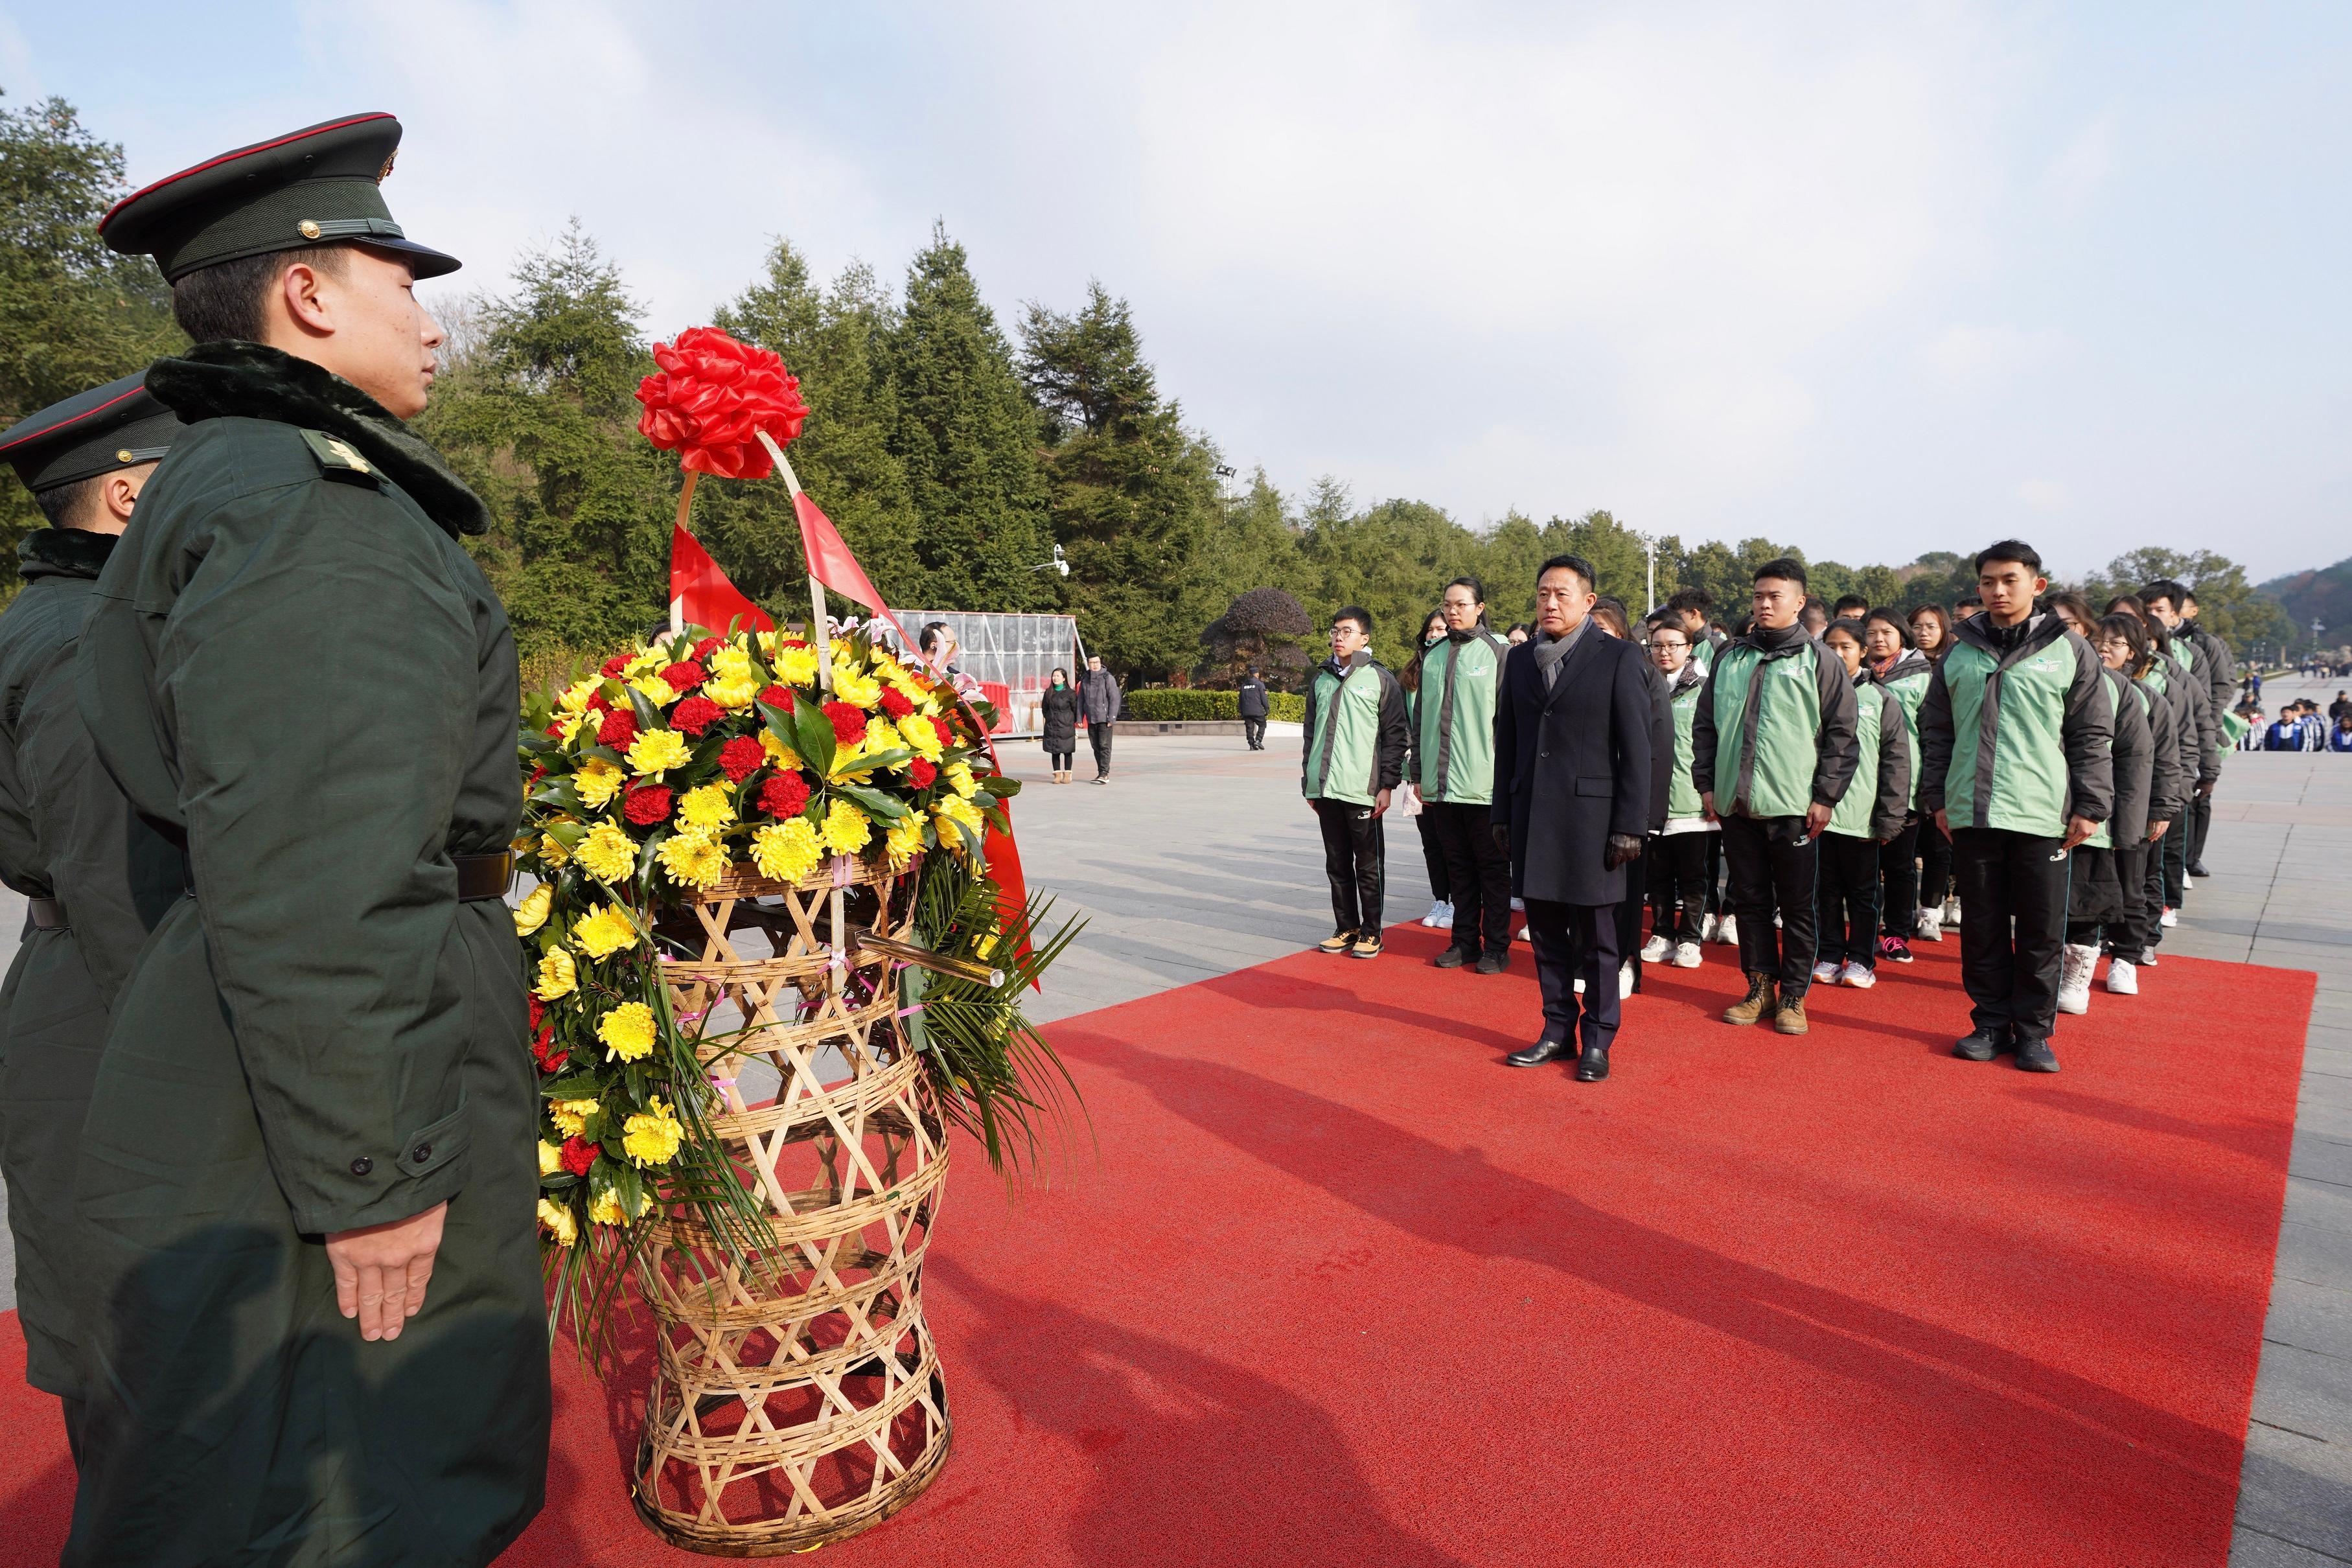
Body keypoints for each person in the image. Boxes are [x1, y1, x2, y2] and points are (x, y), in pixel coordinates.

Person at [75, 113, 549, 1563]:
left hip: (244, 1038)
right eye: (402, 281)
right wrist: (378, 1176)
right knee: (359, 1475)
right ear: (308, 294)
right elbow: (325, 869)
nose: (432, 326)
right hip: (341, 1076)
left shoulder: (232, 482)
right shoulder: (318, 514)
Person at [0, 376, 186, 1463]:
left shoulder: (79, 621)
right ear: (126, 499)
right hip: (112, 1006)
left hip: (94, 987)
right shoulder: (82, 642)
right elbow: (118, 881)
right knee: (145, 1394)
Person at [1919, 541, 2112, 1071]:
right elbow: (1936, 731)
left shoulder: (2069, 649)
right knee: (1980, 926)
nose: (1997, 591)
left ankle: (2032, 1033)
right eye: (1987, 582)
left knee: (2039, 929)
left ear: (2037, 585)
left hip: (2041, 813)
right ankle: (1988, 1023)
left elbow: (2091, 734)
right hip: (1973, 812)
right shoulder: (1960, 651)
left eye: (2009, 580)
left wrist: (2091, 804)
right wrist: (1937, 798)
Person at [1492, 555, 1654, 1081]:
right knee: (1545, 935)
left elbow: (1637, 747)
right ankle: (1557, 1030)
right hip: (1533, 817)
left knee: (1600, 940)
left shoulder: (1621, 657)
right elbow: (1508, 741)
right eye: (1543, 593)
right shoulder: (1518, 661)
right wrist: (1502, 811)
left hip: (1595, 823)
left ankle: (1599, 1041)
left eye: (1562, 594)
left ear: (1588, 602)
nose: (1550, 603)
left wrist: (1631, 824)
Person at [1692, 557, 1859, 1037]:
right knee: (1749, 900)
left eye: (1776, 596)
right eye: (1759, 596)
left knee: (1798, 904)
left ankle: (1794, 995)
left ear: (1799, 603)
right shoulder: (1730, 657)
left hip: (1794, 807)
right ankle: (1759, 986)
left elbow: (1842, 737)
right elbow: (1706, 727)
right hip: (1736, 804)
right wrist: (1707, 784)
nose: (1765, 604)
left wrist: (1825, 796)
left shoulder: (1820, 660)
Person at [2071, 612, 2183, 1003]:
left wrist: (2163, 807)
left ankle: (2127, 958)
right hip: (2087, 809)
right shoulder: (2078, 687)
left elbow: (2169, 758)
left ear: (2133, 652)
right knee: (2086, 889)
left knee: (2131, 887)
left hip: (2132, 810)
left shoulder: (2147, 698)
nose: (2104, 648)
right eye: (2099, 639)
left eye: (2115, 643)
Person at [1415, 582, 1512, 971]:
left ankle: (1497, 947)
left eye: (1461, 604)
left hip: (1483, 785)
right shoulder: (1432, 656)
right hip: (1440, 785)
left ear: (1480, 607)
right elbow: (1420, 718)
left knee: (1492, 869)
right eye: (1447, 605)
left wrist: (1506, 779)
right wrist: (1419, 773)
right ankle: (1464, 941)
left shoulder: (1498, 653)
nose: (1453, 611)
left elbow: (1508, 724)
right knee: (1457, 866)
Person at [1812, 619, 1912, 990]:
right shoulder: (1813, 693)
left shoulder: (1881, 699)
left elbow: (1897, 762)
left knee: (1864, 895)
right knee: (1824, 892)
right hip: (1818, 816)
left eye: (1847, 647)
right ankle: (1828, 954)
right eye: (1831, 647)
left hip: (1862, 820)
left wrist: (1890, 817)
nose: (1838, 655)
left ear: (1863, 652)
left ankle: (1861, 959)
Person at [1302, 606, 1407, 959]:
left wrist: (1387, 785)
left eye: (1347, 631)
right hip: (1326, 789)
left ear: (1365, 638)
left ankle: (1372, 932)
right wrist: (1309, 782)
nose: (1338, 637)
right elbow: (1310, 735)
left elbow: (1396, 736)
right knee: (1336, 863)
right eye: (1334, 631)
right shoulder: (1320, 680)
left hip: (1363, 789)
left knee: (1368, 864)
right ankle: (1346, 927)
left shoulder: (1380, 679)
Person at [2140, 581, 2230, 879]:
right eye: (2147, 609)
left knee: (2194, 801)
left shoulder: (2201, 647)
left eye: (2159, 609)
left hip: (2189, 737)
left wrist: (2210, 737)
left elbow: (2214, 692)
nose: (2152, 615)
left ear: (2176, 613)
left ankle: (2191, 859)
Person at [1862, 608, 1932, 962]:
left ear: (1901, 635)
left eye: (1886, 632)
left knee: (1900, 864)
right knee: (1865, 865)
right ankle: (1867, 930)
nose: (1878, 639)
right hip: (1860, 781)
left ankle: (1897, 933)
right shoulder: (1855, 675)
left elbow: (1932, 732)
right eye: (1871, 632)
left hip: (1904, 782)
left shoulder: (1921, 675)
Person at [1643, 618, 1714, 969]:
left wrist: (1710, 789)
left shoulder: (1704, 688)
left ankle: (1689, 939)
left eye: (1673, 645)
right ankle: (1661, 933)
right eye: (1657, 645)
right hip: (1652, 797)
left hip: (1692, 798)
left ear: (1689, 649)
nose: (1664, 652)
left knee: (1692, 875)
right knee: (1656, 873)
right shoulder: (1640, 683)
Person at [1400, 609, 1456, 932]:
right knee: (1431, 841)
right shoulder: (1411, 676)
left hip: (1452, 771)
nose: (1436, 634)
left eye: (1442, 629)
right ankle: (1440, 898)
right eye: (1431, 630)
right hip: (1419, 770)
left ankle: (1460, 902)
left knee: (1453, 842)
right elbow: (1405, 724)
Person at [1081, 652, 1120, 783]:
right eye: (1092, 663)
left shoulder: (1107, 678)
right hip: (1092, 719)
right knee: (1096, 747)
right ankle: (1101, 773)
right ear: (1088, 664)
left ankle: (1104, 773)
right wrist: (1079, 718)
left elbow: (1114, 698)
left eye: (1097, 662)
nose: (1095, 665)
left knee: (1104, 746)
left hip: (1105, 719)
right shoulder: (1085, 679)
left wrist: (1112, 718)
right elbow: (1081, 700)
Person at [1041, 665, 1079, 781]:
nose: (1055, 678)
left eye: (1058, 676)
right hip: (1052, 726)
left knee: (1067, 751)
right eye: (1054, 676)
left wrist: (1072, 721)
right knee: (1055, 751)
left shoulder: (1070, 693)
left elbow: (1075, 709)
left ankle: (1067, 774)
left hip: (1066, 726)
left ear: (1064, 678)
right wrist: (1049, 718)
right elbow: (1045, 709)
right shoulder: (1048, 692)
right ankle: (1057, 775)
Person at [1237, 665, 1271, 751]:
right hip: (1257, 711)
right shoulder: (1259, 684)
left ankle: (1252, 744)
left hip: (1246, 711)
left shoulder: (1244, 685)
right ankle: (1258, 740)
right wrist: (1267, 708)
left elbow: (1240, 699)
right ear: (1257, 674)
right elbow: (1263, 698)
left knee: (1249, 727)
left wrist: (1241, 711)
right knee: (1263, 724)